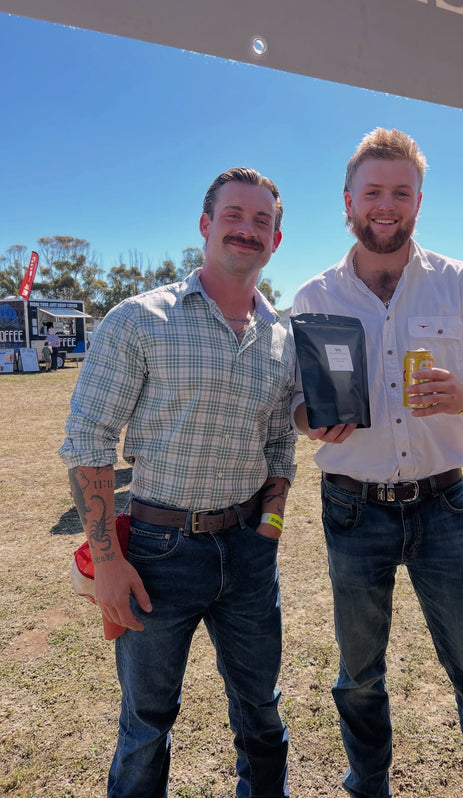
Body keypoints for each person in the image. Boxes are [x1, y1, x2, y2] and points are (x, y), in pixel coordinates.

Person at [292, 128, 463, 798]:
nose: (386, 205)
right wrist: (312, 420)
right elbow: (294, 406)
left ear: (419, 203)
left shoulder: (462, 285)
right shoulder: (314, 297)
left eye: (401, 192)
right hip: (351, 507)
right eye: (373, 191)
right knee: (358, 676)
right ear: (348, 201)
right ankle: (368, 786)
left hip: (442, 506)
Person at [60, 167, 297, 798]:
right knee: (146, 722)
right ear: (204, 225)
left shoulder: (282, 338)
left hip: (250, 551)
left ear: (276, 239)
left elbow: (280, 442)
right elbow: (88, 442)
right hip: (157, 553)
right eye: (233, 215)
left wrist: (270, 526)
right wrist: (107, 562)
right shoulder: (138, 320)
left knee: (262, 711)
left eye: (262, 220)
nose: (247, 229)